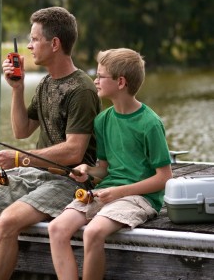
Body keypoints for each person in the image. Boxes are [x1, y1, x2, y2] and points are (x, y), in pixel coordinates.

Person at [0, 7, 101, 280]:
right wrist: (17, 88)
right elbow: (22, 130)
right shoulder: (47, 83)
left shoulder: (81, 89)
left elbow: (74, 150)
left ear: (55, 44)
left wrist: (18, 159)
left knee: (8, 222)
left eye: (34, 39)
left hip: (70, 180)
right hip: (35, 174)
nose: (29, 45)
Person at [48, 48, 173, 280]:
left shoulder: (150, 123)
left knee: (93, 232)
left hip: (140, 198)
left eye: (101, 76)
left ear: (121, 82)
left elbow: (164, 177)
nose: (95, 80)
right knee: (56, 229)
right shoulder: (102, 121)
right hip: (108, 191)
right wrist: (87, 172)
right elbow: (103, 170)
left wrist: (118, 192)